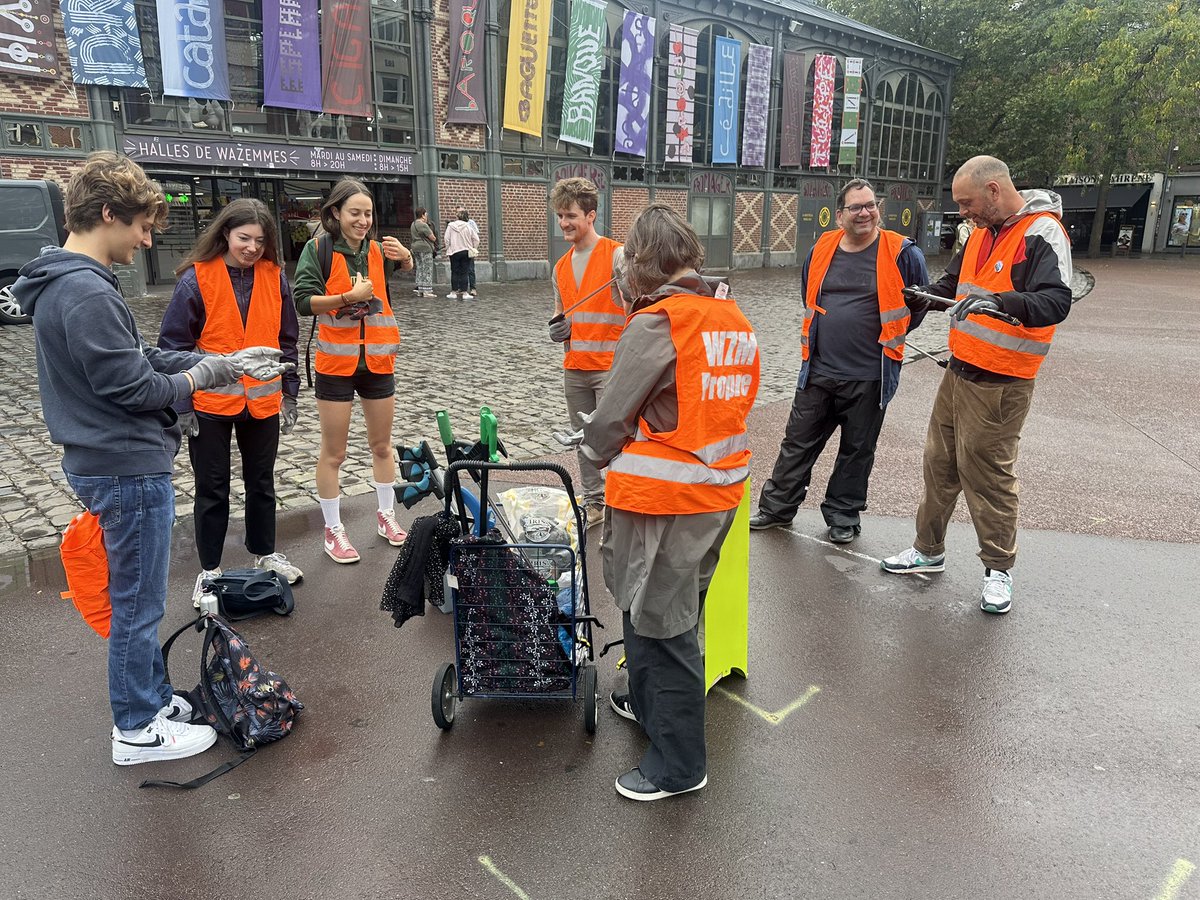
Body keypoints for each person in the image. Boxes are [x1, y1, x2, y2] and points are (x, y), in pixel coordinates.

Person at [14, 151, 287, 765]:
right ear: (108, 213)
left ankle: (152, 698)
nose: (145, 240)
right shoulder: (83, 290)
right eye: (140, 226)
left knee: (139, 602)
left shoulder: (75, 284)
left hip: (114, 460)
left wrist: (216, 363)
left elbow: (135, 361)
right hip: (125, 466)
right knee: (138, 608)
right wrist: (204, 377)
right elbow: (134, 389)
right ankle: (136, 727)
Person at [579, 204, 759, 801]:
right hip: (716, 493)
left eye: (628, 260)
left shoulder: (658, 323)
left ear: (642, 263)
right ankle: (645, 700)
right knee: (681, 609)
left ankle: (678, 764)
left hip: (665, 502)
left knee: (658, 622)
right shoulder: (727, 314)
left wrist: (599, 442)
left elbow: (609, 422)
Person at [881, 155, 1073, 615]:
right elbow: (955, 282)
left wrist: (1000, 301)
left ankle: (998, 570)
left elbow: (1056, 301)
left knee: (987, 474)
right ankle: (928, 550)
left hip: (1002, 381)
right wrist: (921, 297)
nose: (962, 212)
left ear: (993, 191)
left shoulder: (1043, 232)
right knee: (939, 463)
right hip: (960, 369)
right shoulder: (980, 233)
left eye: (967, 203)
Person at [749, 178, 929, 543]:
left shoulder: (901, 252)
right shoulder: (822, 247)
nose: (865, 213)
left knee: (857, 451)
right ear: (840, 215)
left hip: (870, 375)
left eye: (870, 205)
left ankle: (843, 516)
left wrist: (884, 335)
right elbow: (808, 294)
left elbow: (919, 304)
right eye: (856, 207)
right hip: (818, 370)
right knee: (796, 443)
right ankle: (776, 508)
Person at [157, 199, 303, 605]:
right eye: (244, 238)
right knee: (211, 487)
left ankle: (266, 553)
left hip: (261, 402)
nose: (252, 247)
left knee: (262, 483)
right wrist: (182, 407)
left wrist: (289, 395)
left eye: (259, 240)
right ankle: (209, 570)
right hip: (209, 404)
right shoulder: (196, 279)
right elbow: (172, 345)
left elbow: (286, 339)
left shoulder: (275, 278)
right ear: (225, 234)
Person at [293, 177, 414, 564]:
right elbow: (302, 301)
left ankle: (386, 516)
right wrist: (348, 297)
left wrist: (407, 258)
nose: (363, 221)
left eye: (368, 214)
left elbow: (397, 277)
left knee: (382, 446)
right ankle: (333, 529)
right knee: (334, 452)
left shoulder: (378, 251)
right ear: (335, 213)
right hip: (336, 365)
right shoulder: (319, 249)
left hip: (377, 362)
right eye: (355, 213)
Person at [547, 177, 626, 527]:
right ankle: (595, 503)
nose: (564, 223)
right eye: (560, 216)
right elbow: (559, 312)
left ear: (591, 215)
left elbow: (638, 308)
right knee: (583, 441)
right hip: (575, 367)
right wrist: (555, 328)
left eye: (571, 215)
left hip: (612, 367)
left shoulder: (617, 256)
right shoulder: (561, 267)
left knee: (620, 441)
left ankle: (624, 502)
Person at [443, 209, 478, 301]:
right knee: (465, 272)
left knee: (454, 271)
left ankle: (453, 292)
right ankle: (465, 292)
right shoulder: (468, 226)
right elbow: (476, 239)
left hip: (454, 251)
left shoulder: (450, 226)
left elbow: (446, 239)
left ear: (458, 217)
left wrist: (448, 248)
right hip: (466, 251)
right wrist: (474, 248)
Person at [409, 207, 438, 298]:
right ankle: (427, 290)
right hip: (425, 248)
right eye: (426, 214)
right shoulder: (423, 225)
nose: (426, 216)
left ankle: (420, 289)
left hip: (415, 248)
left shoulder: (413, 224)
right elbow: (432, 237)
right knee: (427, 269)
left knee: (420, 268)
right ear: (422, 215)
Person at [460, 207, 480, 298]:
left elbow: (476, 237)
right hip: (460, 249)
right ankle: (462, 287)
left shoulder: (471, 223)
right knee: (461, 269)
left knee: (471, 269)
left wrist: (474, 248)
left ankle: (473, 288)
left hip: (469, 249)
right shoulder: (456, 224)